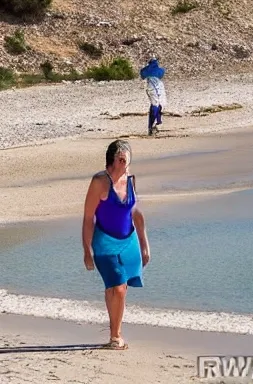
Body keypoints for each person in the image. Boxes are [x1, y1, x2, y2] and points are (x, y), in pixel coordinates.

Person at [82, 139, 150, 350]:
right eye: (121, 160)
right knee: (118, 288)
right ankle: (116, 335)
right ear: (112, 161)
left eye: (127, 160)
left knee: (119, 288)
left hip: (128, 242)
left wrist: (144, 244)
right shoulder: (99, 182)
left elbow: (136, 213)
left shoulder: (130, 179)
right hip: (104, 243)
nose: (125, 164)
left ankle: (114, 332)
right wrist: (87, 250)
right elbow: (88, 218)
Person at [140, 57, 167, 136]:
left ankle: (154, 125)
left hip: (150, 86)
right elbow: (161, 74)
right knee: (158, 104)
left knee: (155, 104)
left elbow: (142, 75)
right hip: (156, 86)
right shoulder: (160, 70)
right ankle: (156, 124)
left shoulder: (144, 70)